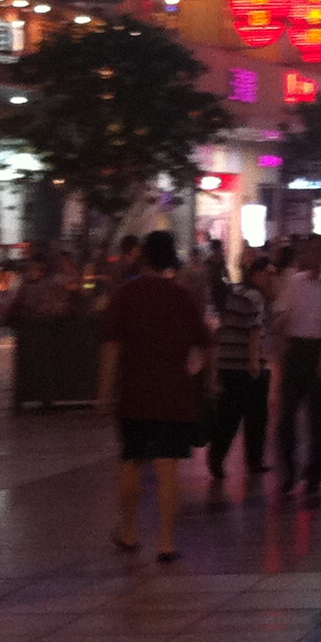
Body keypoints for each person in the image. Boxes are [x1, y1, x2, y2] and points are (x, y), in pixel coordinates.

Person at [100, 230, 210, 560]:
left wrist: (104, 392)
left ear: (144, 256)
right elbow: (205, 343)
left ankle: (130, 532)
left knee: (131, 460)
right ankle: (166, 541)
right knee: (168, 467)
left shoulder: (125, 295)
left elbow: (111, 346)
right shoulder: (182, 296)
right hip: (173, 393)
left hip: (134, 392)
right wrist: (204, 378)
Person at [271, 237, 321, 501]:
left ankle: (314, 476)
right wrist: (281, 335)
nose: (312, 256)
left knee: (317, 419)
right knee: (287, 417)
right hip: (297, 349)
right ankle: (288, 472)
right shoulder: (294, 281)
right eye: (308, 251)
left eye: (317, 251)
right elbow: (280, 313)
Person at [205, 253, 272, 495]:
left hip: (228, 363)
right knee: (255, 416)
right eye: (268, 274)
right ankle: (253, 461)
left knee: (229, 414)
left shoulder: (237, 293)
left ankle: (216, 457)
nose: (271, 280)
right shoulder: (255, 297)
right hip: (246, 365)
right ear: (257, 274)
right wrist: (254, 361)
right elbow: (254, 330)